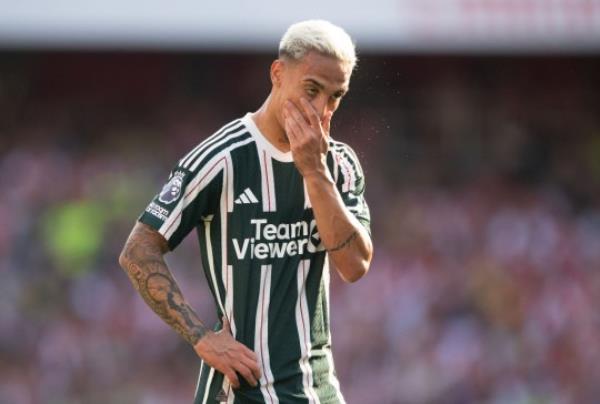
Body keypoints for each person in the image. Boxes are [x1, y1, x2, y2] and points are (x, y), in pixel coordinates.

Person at [119, 19, 373, 404]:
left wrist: (313, 171)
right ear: (277, 73)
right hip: (238, 390)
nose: (321, 109)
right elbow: (138, 249)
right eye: (312, 89)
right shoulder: (221, 158)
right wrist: (200, 336)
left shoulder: (338, 164)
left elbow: (355, 266)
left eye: (335, 97)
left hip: (318, 389)